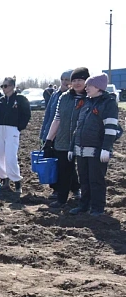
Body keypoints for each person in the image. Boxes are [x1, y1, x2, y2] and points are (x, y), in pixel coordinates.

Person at [70, 73, 120, 216]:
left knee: (96, 180)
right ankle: (84, 205)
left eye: (89, 85)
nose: (86, 88)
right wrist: (72, 146)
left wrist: (106, 148)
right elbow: (78, 126)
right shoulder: (87, 102)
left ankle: (97, 208)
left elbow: (111, 128)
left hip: (97, 151)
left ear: (98, 87)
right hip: (81, 150)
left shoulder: (108, 103)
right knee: (84, 180)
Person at [44, 68, 86, 208]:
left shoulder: (90, 97)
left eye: (80, 80)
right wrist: (49, 139)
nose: (77, 83)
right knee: (64, 170)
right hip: (63, 140)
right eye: (74, 80)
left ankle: (84, 199)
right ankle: (62, 199)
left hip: (84, 141)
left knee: (84, 171)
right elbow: (57, 119)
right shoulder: (64, 97)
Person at [0, 76, 31, 194]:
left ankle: (17, 181)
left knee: (11, 156)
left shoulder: (21, 99)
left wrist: (19, 127)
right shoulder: (0, 101)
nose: (3, 88)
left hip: (12, 130)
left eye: (5, 86)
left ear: (12, 86)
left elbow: (26, 114)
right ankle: (4, 179)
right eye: (2, 86)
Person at [40, 70, 73, 201]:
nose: (65, 82)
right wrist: (44, 134)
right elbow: (49, 115)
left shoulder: (72, 97)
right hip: (51, 134)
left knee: (66, 164)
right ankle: (56, 189)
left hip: (65, 136)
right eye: (63, 79)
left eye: (68, 80)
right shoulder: (55, 95)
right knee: (53, 162)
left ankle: (75, 188)